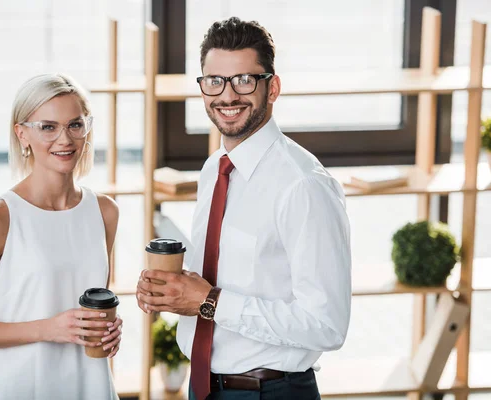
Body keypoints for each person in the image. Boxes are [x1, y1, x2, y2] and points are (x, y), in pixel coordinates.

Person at [136, 17, 352, 400]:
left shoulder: (303, 185)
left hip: (268, 391)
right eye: (215, 81)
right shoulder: (213, 169)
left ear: (273, 88)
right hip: (203, 387)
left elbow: (326, 325)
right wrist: (178, 293)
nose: (228, 96)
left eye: (244, 80)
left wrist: (208, 301)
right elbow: (230, 279)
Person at [0, 73, 122, 400]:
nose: (65, 139)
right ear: (22, 134)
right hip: (19, 387)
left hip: (89, 386)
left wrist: (108, 329)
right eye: (48, 127)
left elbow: (90, 299)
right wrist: (49, 329)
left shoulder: (105, 211)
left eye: (75, 124)